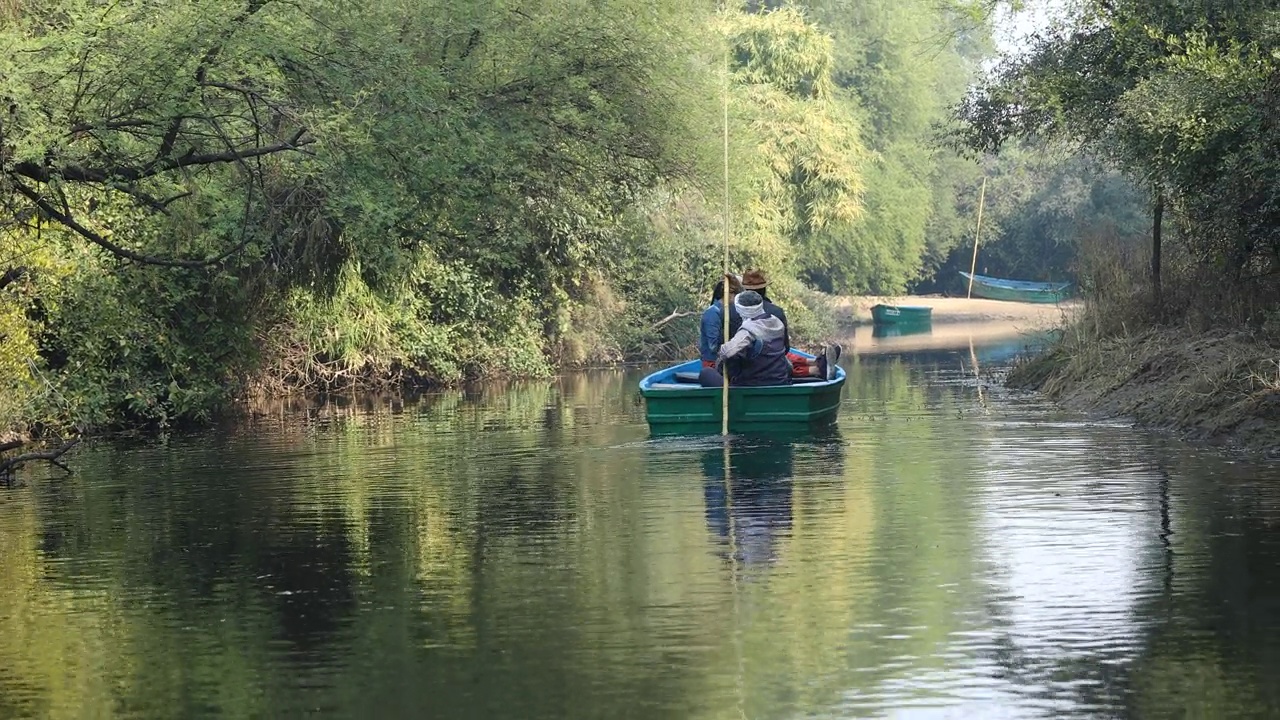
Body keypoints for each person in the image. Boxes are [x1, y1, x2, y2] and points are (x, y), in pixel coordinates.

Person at [739, 269, 841, 380]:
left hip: (751, 364)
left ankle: (817, 363)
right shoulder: (777, 311)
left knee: (779, 358)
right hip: (770, 363)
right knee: (781, 357)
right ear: (764, 289)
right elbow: (785, 347)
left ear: (744, 292)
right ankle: (817, 366)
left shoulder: (735, 311)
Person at [699, 290, 792, 387]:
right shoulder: (777, 322)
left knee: (706, 373)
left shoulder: (748, 330)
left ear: (741, 310)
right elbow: (786, 347)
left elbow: (727, 352)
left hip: (752, 384)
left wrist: (721, 356)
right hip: (780, 380)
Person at [699, 273, 742, 369]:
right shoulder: (712, 313)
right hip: (713, 363)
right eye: (736, 294)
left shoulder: (731, 311)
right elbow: (713, 346)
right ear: (729, 294)